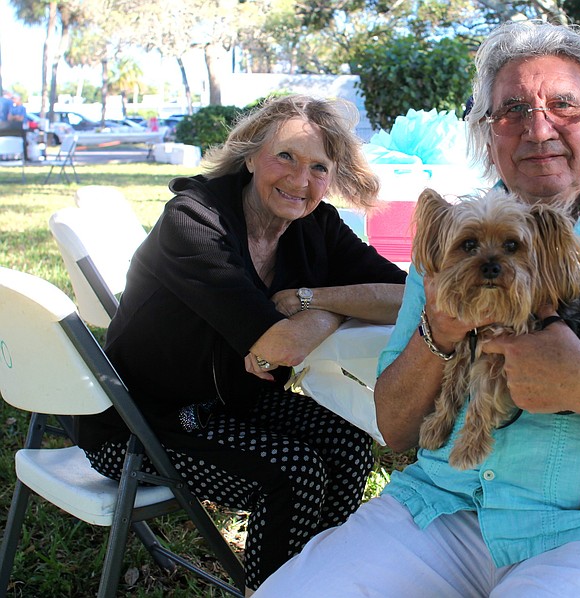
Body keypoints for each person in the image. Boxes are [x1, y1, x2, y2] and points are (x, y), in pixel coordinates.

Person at [254, 21, 580, 598]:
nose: (538, 128)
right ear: (486, 133)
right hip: (441, 508)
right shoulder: (454, 238)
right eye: (512, 110)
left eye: (564, 106)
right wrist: (437, 332)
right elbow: (397, 430)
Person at [75, 94, 407, 595]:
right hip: (141, 422)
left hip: (234, 401)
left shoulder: (313, 224)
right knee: (292, 475)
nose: (300, 181)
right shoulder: (194, 220)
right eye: (286, 157)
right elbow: (280, 347)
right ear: (251, 155)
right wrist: (331, 311)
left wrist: (312, 298)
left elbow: (407, 295)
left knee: (349, 444)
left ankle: (312, 584)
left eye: (319, 167)